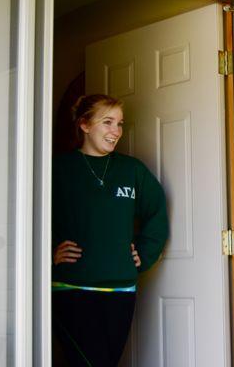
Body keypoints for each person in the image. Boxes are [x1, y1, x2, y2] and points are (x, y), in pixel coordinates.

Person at [52, 94, 169, 366]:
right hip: (72, 287)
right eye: (107, 122)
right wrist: (49, 252)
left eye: (119, 123)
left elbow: (156, 211)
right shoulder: (58, 169)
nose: (116, 131)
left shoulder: (132, 170)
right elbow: (26, 215)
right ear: (85, 124)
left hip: (121, 291)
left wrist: (145, 252)